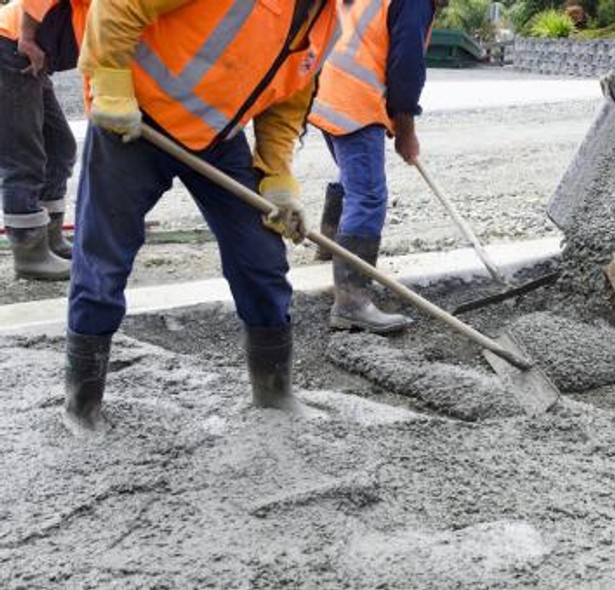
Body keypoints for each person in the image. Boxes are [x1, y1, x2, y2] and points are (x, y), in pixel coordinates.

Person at [63, 0, 339, 433]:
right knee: (104, 260)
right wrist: (112, 86)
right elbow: (118, 5)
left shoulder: (325, 22)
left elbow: (286, 105)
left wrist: (277, 177)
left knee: (260, 258)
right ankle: (82, 405)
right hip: (135, 120)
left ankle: (273, 391)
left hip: (216, 140)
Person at [310, 0, 435, 334]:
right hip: (354, 98)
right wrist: (405, 132)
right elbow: (406, 67)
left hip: (326, 86)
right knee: (367, 196)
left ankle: (329, 248)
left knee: (352, 176)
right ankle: (352, 305)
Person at [0, 0, 85, 280]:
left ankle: (51, 239)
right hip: (11, 45)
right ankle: (30, 254)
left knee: (60, 148)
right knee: (23, 158)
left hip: (27, 53)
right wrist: (26, 38)